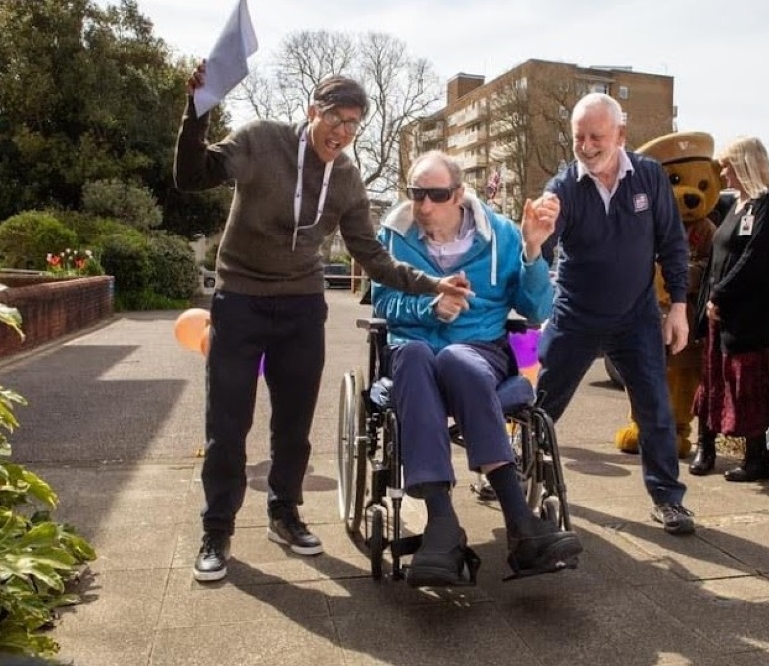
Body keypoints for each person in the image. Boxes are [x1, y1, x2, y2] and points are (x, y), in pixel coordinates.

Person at [174, 66, 470, 583]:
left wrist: (431, 285)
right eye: (335, 117)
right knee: (227, 424)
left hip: (301, 307)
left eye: (352, 123)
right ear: (313, 110)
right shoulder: (261, 141)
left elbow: (373, 257)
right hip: (240, 298)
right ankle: (217, 528)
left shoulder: (349, 179)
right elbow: (191, 175)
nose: (342, 131)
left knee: (293, 426)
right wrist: (196, 111)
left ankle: (284, 513)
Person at [372, 150, 582, 586]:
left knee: (455, 358)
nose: (425, 205)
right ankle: (442, 524)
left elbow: (538, 308)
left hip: (478, 350)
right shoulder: (394, 236)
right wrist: (431, 306)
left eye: (437, 194)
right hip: (413, 350)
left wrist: (532, 250)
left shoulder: (502, 235)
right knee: (413, 355)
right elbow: (384, 302)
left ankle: (520, 522)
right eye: (416, 194)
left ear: (460, 194)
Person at [533, 93, 695, 535]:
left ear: (621, 135)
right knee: (542, 403)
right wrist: (534, 237)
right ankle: (513, 473)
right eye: (578, 137)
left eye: (596, 136)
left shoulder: (648, 178)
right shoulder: (562, 189)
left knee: (656, 409)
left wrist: (677, 306)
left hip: (635, 316)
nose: (586, 146)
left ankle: (668, 499)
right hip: (575, 315)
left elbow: (672, 243)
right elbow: (538, 250)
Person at [689, 137, 769, 482]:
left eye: (728, 166)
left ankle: (756, 459)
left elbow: (756, 259)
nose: (724, 173)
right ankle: (706, 446)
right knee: (713, 378)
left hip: (747, 314)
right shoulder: (736, 204)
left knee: (745, 382)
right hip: (719, 311)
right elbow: (720, 255)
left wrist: (720, 295)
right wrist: (709, 302)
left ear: (747, 164)